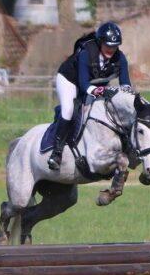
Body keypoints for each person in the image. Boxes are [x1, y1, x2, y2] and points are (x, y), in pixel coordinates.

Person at [48, 21, 132, 170]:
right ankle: (57, 152)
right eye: (108, 45)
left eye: (115, 46)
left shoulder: (120, 58)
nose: (111, 49)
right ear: (100, 42)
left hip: (95, 84)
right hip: (70, 80)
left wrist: (127, 98)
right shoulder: (86, 53)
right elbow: (84, 85)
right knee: (68, 110)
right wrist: (102, 91)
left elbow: (126, 85)